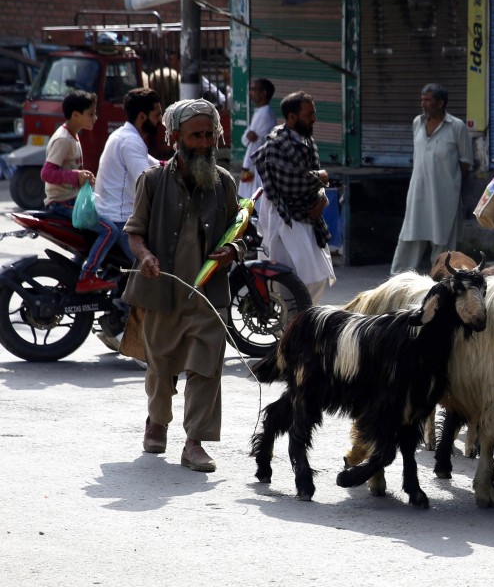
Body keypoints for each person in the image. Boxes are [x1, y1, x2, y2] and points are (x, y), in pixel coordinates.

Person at [121, 99, 244, 472]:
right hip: (163, 293)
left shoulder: (224, 183)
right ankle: (157, 422)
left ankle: (195, 443)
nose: (206, 142)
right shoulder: (153, 181)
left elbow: (238, 232)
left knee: (207, 368)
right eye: (197, 135)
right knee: (161, 366)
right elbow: (135, 233)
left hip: (208, 296)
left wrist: (233, 249)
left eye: (210, 134)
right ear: (175, 137)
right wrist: (144, 257)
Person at [252, 91, 336, 304]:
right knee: (288, 282)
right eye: (309, 115)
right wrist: (321, 177)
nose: (314, 119)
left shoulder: (307, 141)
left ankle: (301, 325)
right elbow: (293, 183)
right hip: (284, 221)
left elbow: (311, 177)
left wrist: (322, 200)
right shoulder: (275, 145)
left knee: (316, 279)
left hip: (308, 220)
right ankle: (289, 330)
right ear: (292, 117)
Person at [40, 90, 122, 294]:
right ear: (76, 115)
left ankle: (77, 271)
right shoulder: (64, 140)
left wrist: (82, 177)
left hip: (72, 199)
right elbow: (47, 172)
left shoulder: (73, 136)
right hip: (62, 203)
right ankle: (87, 276)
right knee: (110, 230)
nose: (95, 118)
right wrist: (76, 176)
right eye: (91, 113)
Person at [390, 83, 473, 275]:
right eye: (422, 100)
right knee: (409, 238)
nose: (423, 104)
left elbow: (465, 162)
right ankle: (396, 281)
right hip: (418, 194)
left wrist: (448, 183)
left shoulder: (457, 127)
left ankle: (441, 284)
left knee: (443, 244)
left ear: (441, 103)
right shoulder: (417, 123)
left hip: (444, 198)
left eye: (428, 100)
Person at [95, 87, 161, 259]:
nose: (160, 121)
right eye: (157, 115)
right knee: (154, 273)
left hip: (110, 212)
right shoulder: (131, 141)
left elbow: (152, 163)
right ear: (142, 117)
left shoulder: (123, 135)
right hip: (121, 219)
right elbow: (146, 182)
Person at [237, 78, 276, 201]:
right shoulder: (259, 112)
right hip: (253, 164)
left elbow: (255, 142)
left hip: (257, 164)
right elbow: (245, 138)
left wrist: (246, 166)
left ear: (263, 93)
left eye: (253, 89)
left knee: (255, 200)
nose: (250, 93)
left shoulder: (266, 114)